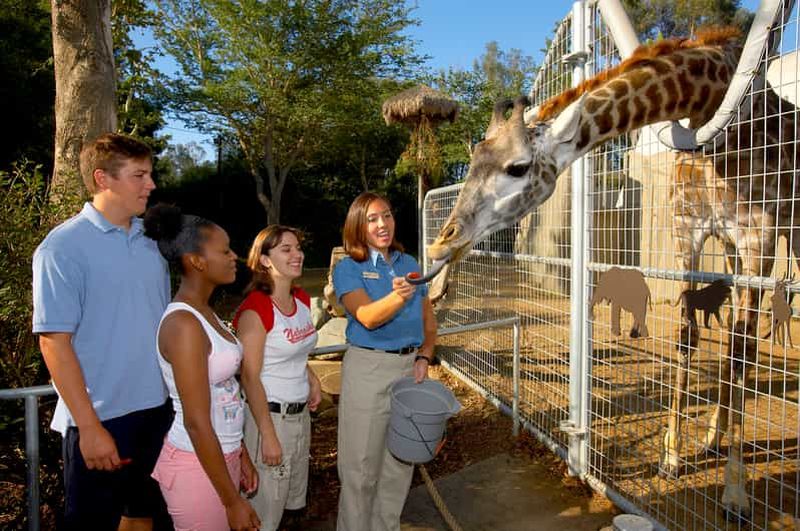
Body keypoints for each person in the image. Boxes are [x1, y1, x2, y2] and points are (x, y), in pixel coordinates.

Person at [32, 133, 173, 530]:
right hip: (100, 420)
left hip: (159, 413)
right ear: (102, 178)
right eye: (139, 175)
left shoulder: (152, 244)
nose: (151, 185)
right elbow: (53, 342)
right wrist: (90, 427)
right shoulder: (61, 248)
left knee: (146, 518)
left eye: (150, 174)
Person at [144, 204, 261, 531]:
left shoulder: (206, 313)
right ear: (196, 261)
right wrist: (232, 501)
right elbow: (196, 422)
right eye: (224, 251)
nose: (234, 257)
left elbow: (224, 394)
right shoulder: (184, 324)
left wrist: (240, 452)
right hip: (196, 467)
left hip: (221, 457)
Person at [332, 191, 438, 531]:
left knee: (399, 467)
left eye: (388, 215)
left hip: (408, 371)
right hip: (368, 370)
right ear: (357, 226)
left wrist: (424, 356)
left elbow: (428, 320)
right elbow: (367, 316)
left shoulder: (409, 264)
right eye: (373, 219)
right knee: (360, 469)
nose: (383, 224)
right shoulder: (348, 268)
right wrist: (398, 296)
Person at [233, 225, 323, 531]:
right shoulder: (256, 308)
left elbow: (292, 351)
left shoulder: (301, 299)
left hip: (300, 418)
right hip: (270, 419)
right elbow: (249, 377)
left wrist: (311, 377)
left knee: (286, 505)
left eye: (298, 247)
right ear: (265, 260)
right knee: (263, 515)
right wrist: (268, 435)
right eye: (286, 249)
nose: (297, 254)